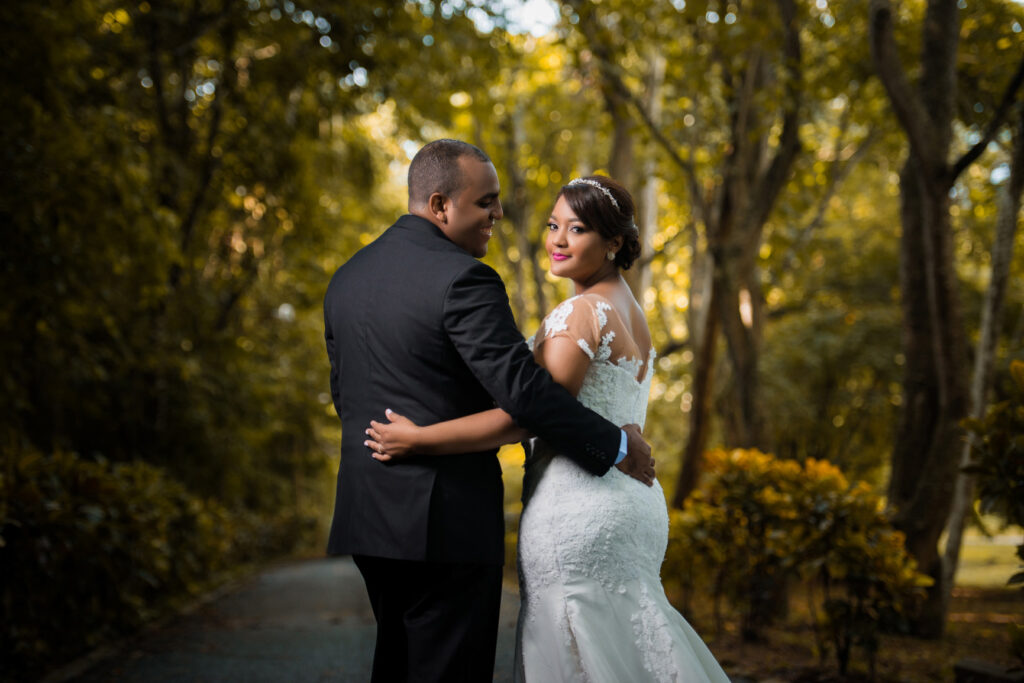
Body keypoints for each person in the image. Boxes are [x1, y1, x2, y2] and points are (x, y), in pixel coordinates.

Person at [365, 175, 731, 682]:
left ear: (614, 242)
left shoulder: (580, 312)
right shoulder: (635, 318)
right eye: (553, 225)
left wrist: (419, 438)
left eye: (576, 229)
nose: (558, 240)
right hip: (634, 507)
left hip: (576, 508)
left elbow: (527, 413)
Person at [322, 140, 655, 683]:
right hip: (444, 521)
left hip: (370, 513)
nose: (499, 214)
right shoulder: (464, 279)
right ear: (439, 206)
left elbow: (345, 396)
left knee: (397, 663)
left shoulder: (347, 278)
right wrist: (616, 445)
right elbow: (525, 397)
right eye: (486, 202)